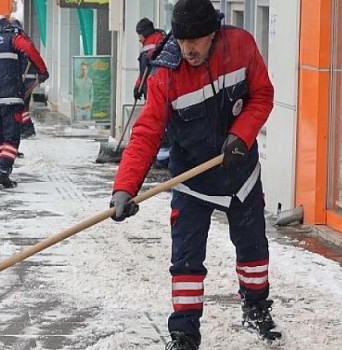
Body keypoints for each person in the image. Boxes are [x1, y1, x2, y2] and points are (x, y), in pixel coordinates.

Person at [109, 0, 281, 349]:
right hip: (191, 179)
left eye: (196, 41)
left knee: (253, 249)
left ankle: (257, 308)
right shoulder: (165, 74)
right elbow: (146, 133)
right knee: (186, 259)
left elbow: (262, 95)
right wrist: (124, 188)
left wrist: (242, 136)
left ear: (213, 33)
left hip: (240, 172)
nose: (189, 49)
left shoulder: (241, 45)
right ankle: (184, 333)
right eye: (183, 40)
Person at [0, 16, 49, 188]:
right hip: (10, 96)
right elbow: (29, 48)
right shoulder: (13, 38)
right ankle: (4, 172)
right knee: (12, 137)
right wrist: (42, 70)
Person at [134, 17, 170, 169]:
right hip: (167, 89)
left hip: (156, 91)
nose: (139, 39)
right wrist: (138, 86)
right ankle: (164, 154)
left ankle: (161, 157)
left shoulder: (148, 46)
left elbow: (145, 72)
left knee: (156, 122)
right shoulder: (161, 38)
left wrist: (139, 88)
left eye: (139, 35)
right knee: (166, 122)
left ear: (143, 33)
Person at [11, 19, 45, 139]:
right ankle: (24, 128)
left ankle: (27, 128)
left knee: (21, 105)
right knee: (22, 104)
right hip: (28, 77)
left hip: (24, 78)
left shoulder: (19, 40)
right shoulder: (25, 39)